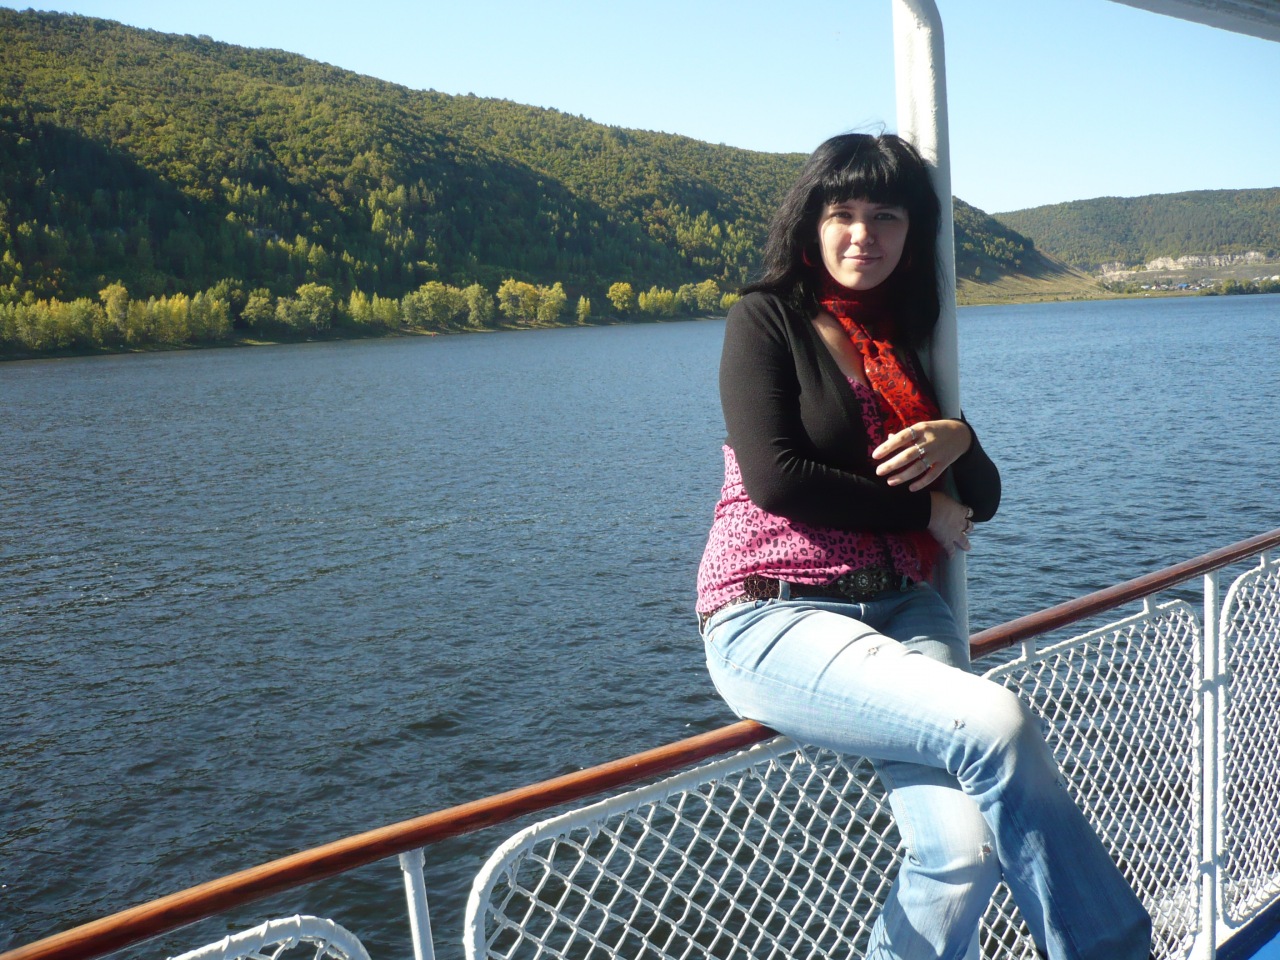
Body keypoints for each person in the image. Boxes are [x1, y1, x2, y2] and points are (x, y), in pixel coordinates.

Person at [695, 133, 1151, 960]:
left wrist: (956, 437)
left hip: (905, 608)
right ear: (810, 223)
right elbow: (778, 480)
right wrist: (923, 511)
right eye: (842, 213)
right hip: (774, 609)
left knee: (961, 855)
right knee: (996, 722)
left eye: (886, 216)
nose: (862, 234)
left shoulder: (904, 348)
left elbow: (983, 499)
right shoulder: (766, 319)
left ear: (912, 233)